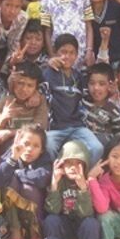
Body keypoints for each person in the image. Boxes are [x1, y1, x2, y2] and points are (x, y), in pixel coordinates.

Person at [43, 140, 99, 239]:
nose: (73, 167)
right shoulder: (59, 181)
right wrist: (54, 184)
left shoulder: (88, 182)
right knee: (51, 220)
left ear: (85, 165)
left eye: (78, 163)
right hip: (64, 227)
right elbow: (52, 210)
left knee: (92, 223)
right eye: (68, 163)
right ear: (61, 165)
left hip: (82, 227)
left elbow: (86, 213)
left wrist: (83, 189)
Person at [42, 34, 103, 165]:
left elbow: (92, 93)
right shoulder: (48, 73)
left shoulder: (79, 76)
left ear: (76, 55)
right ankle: (54, 176)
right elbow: (39, 90)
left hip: (77, 126)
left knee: (97, 148)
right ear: (55, 53)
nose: (67, 56)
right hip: (55, 128)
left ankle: (85, 176)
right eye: (63, 52)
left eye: (72, 53)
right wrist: (48, 63)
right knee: (48, 147)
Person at [0, 124, 52, 239]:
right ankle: (15, 230)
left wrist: (19, 173)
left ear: (42, 150)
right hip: (12, 214)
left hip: (34, 211)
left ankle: (34, 229)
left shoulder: (44, 158)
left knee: (28, 188)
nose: (29, 149)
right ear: (18, 142)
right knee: (10, 181)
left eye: (36, 146)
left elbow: (42, 179)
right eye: (26, 144)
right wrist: (13, 158)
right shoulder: (12, 153)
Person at [40, 0, 95, 68]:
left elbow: (89, 27)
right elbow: (47, 31)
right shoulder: (46, 3)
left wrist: (89, 50)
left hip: (81, 54)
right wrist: (52, 55)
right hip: (59, 56)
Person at [0, 61, 48, 146]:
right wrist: (3, 119)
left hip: (31, 144)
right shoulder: (6, 101)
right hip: (8, 145)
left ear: (36, 88)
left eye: (30, 85)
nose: (24, 89)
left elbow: (39, 129)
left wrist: (10, 133)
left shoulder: (40, 101)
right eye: (20, 83)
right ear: (13, 83)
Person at [83, 63, 120, 146]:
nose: (96, 88)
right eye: (92, 83)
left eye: (102, 84)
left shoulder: (112, 110)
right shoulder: (82, 99)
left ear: (111, 85)